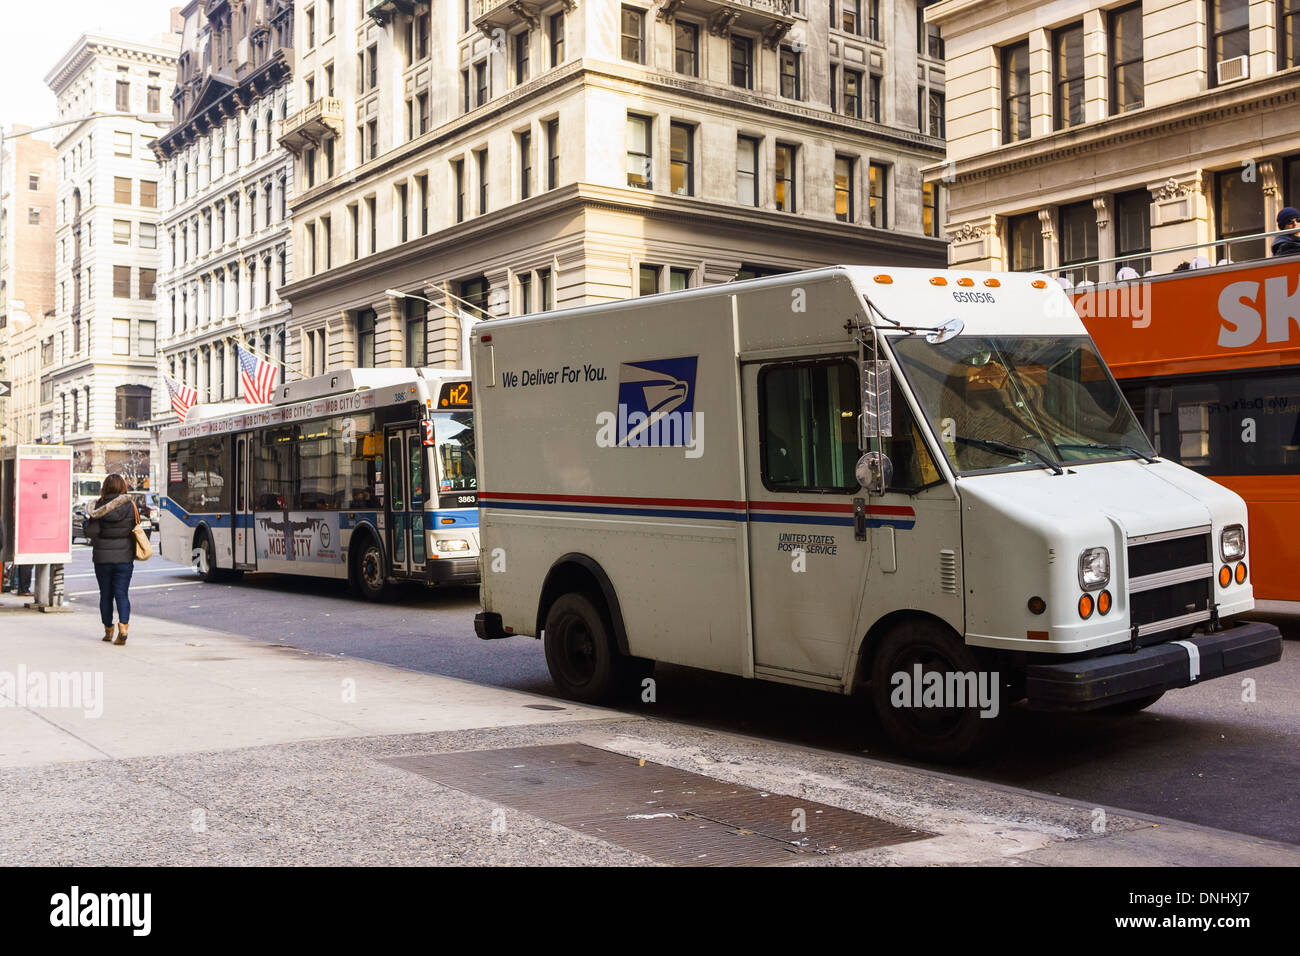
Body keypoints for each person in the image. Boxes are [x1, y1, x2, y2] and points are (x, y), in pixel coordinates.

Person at [84, 474, 138, 645]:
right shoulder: (130, 506)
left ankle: (108, 630)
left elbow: (90, 533)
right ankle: (123, 627)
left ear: (105, 488)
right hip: (124, 557)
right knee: (122, 594)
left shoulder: (98, 507)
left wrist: (89, 522)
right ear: (123, 487)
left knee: (105, 595)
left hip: (102, 558)